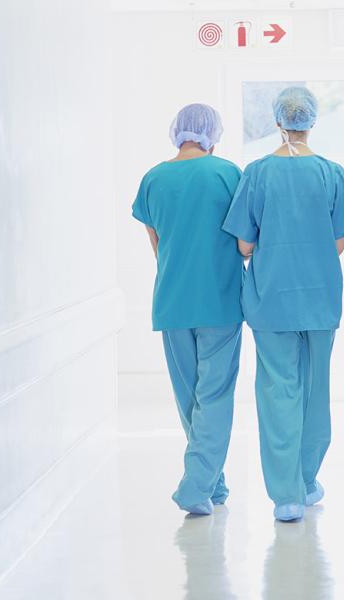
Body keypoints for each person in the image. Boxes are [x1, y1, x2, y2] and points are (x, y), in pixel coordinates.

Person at [223, 86, 344, 522]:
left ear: (278, 122)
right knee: (316, 389)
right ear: (311, 122)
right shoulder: (332, 173)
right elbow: (338, 243)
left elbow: (244, 243)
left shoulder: (258, 172)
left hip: (272, 299)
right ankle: (306, 478)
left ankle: (286, 496)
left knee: (279, 390)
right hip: (320, 296)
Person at [132, 103, 244, 516]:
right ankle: (198, 485)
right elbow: (245, 239)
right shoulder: (229, 174)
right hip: (221, 298)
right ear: (213, 133)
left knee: (189, 396)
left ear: (177, 131)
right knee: (214, 395)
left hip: (173, 298)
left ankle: (211, 480)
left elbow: (157, 242)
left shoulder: (154, 178)